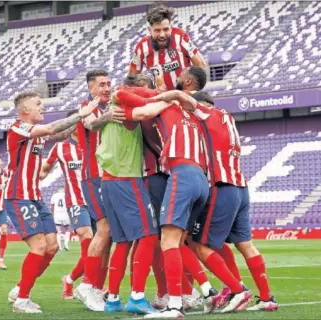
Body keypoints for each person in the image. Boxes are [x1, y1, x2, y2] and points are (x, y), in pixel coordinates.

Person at [120, 87, 215, 319]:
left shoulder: (165, 107)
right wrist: (172, 93)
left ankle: (174, 305)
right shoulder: (194, 113)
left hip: (180, 173)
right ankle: (207, 291)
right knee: (179, 241)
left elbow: (127, 98)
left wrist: (155, 96)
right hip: (201, 178)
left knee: (168, 241)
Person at [4, 91, 98, 313]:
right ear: (25, 110)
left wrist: (85, 120)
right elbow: (51, 129)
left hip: (35, 197)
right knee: (38, 246)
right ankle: (22, 300)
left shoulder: (36, 135)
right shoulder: (18, 128)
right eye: (38, 104)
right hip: (19, 196)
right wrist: (80, 114)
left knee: (52, 247)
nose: (42, 107)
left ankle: (20, 288)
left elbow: (60, 132)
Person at [189, 90, 279, 312]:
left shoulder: (206, 115)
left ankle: (237, 290)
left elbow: (187, 103)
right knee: (245, 244)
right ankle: (267, 298)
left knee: (200, 245)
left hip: (222, 186)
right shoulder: (226, 117)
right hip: (241, 186)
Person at [98, 79, 172, 315]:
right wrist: (171, 98)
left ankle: (112, 299)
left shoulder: (109, 115)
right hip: (127, 180)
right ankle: (137, 296)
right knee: (149, 236)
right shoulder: (126, 114)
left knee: (122, 242)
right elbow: (147, 109)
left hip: (108, 181)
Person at [74, 70, 125, 312]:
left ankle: (96, 287)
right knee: (104, 229)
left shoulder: (110, 106)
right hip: (93, 176)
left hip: (108, 176)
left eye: (108, 83)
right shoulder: (88, 106)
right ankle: (86, 286)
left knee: (111, 235)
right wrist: (108, 116)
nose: (107, 88)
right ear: (91, 89)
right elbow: (91, 124)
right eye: (101, 84)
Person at [40, 119, 94, 300]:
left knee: (99, 248)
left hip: (97, 200)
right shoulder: (60, 148)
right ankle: (88, 286)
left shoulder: (94, 142)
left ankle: (70, 279)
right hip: (77, 202)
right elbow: (44, 170)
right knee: (87, 239)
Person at [128, 4, 208, 91]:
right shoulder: (141, 47)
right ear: (149, 30)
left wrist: (192, 93)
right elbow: (132, 78)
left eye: (166, 29)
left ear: (171, 27)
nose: (162, 35)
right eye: (157, 30)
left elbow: (200, 66)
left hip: (184, 94)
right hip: (161, 98)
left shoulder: (181, 37)